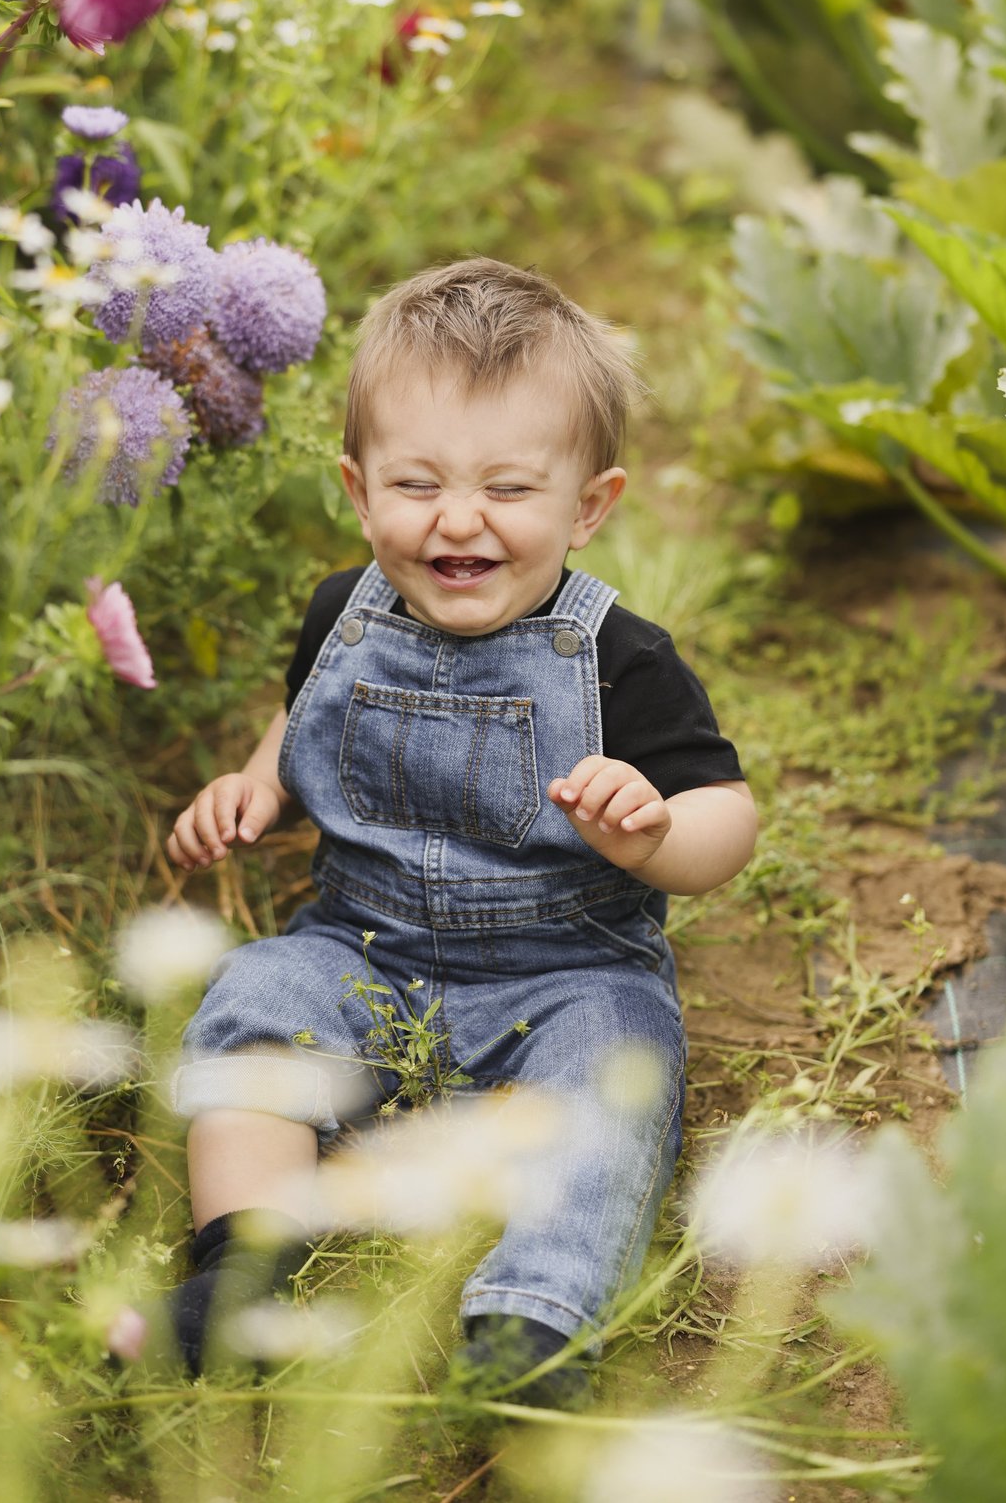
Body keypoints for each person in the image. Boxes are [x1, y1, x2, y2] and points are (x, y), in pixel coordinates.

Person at [156, 257, 757, 1403]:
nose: (459, 520)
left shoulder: (621, 657)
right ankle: (240, 1265)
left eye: (509, 490)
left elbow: (729, 817)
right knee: (256, 997)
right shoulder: (345, 610)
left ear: (591, 503)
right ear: (357, 485)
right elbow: (306, 713)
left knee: (615, 1073)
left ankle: (532, 1316)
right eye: (417, 483)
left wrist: (655, 829)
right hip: (362, 944)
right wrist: (255, 785)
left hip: (569, 965)